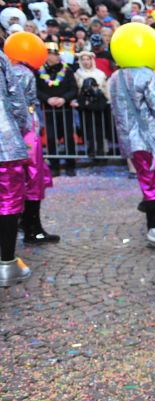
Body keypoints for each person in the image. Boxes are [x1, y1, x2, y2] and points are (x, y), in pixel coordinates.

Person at [107, 22, 155, 248]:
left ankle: (153, 231)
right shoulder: (147, 75)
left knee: (149, 184)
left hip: (130, 141)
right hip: (153, 139)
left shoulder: (114, 78)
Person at [8, 32, 59, 243]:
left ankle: (27, 225)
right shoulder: (24, 73)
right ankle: (32, 228)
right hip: (26, 134)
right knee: (33, 179)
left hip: (18, 134)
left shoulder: (11, 71)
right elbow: (21, 107)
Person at [0, 50, 33, 286]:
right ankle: (6, 262)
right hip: (4, 143)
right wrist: (21, 126)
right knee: (9, 201)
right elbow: (16, 98)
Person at [36, 42, 78, 177]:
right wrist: (47, 99)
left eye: (53, 54)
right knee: (51, 137)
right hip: (49, 110)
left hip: (65, 109)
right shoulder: (40, 71)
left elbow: (73, 89)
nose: (51, 57)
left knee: (68, 137)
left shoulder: (67, 70)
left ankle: (70, 165)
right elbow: (37, 90)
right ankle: (54, 166)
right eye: (48, 54)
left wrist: (63, 99)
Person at [75, 50, 110, 160]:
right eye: (83, 60)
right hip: (85, 106)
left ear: (92, 60)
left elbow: (105, 88)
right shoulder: (77, 74)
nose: (86, 62)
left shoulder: (100, 73)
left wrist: (108, 99)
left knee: (100, 128)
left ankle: (101, 150)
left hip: (99, 105)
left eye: (88, 59)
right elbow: (76, 89)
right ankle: (91, 150)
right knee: (87, 128)